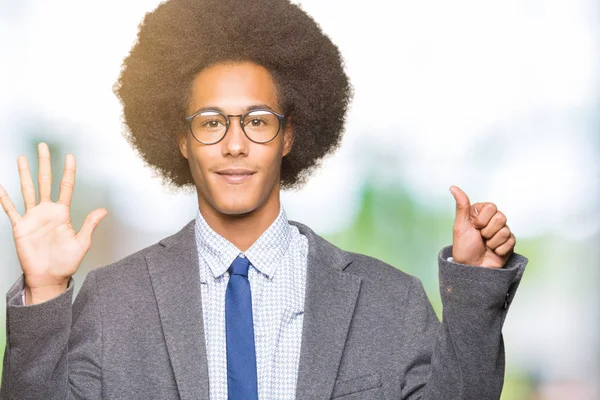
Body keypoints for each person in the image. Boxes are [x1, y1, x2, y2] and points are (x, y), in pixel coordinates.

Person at [0, 0, 527, 399]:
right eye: (211, 122)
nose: (234, 143)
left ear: (289, 136)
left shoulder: (389, 302)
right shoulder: (115, 302)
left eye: (257, 121)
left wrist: (475, 290)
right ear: (180, 140)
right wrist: (45, 290)